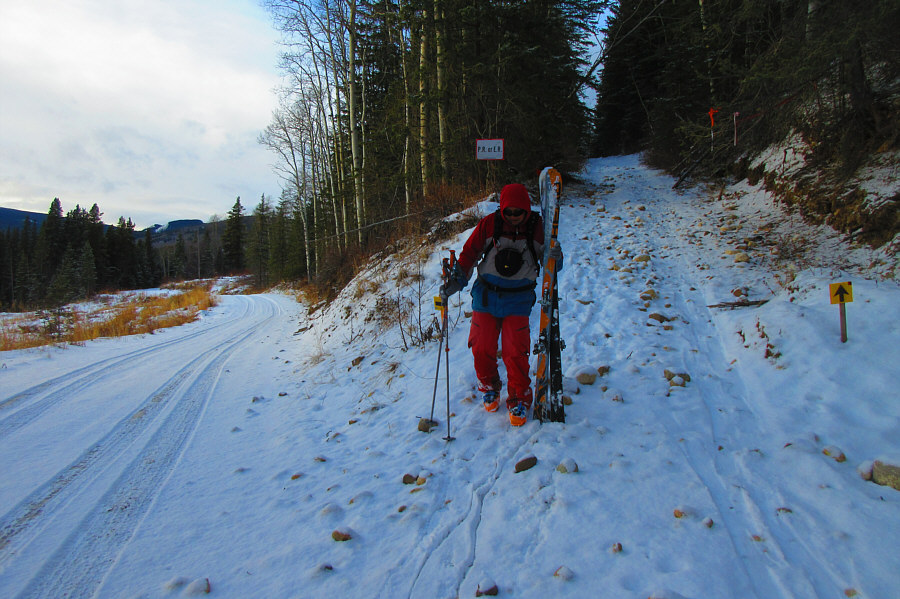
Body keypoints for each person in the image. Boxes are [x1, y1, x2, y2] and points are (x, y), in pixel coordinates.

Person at [440, 183, 563, 426]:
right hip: (486, 295)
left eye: (519, 212)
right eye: (510, 212)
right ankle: (489, 385)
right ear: (503, 209)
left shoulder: (536, 228)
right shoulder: (490, 224)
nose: (514, 217)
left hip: (518, 299)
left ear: (527, 210)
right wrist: (457, 280)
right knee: (481, 345)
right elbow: (470, 252)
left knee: (515, 351)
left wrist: (557, 258)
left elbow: (551, 267)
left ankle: (519, 397)